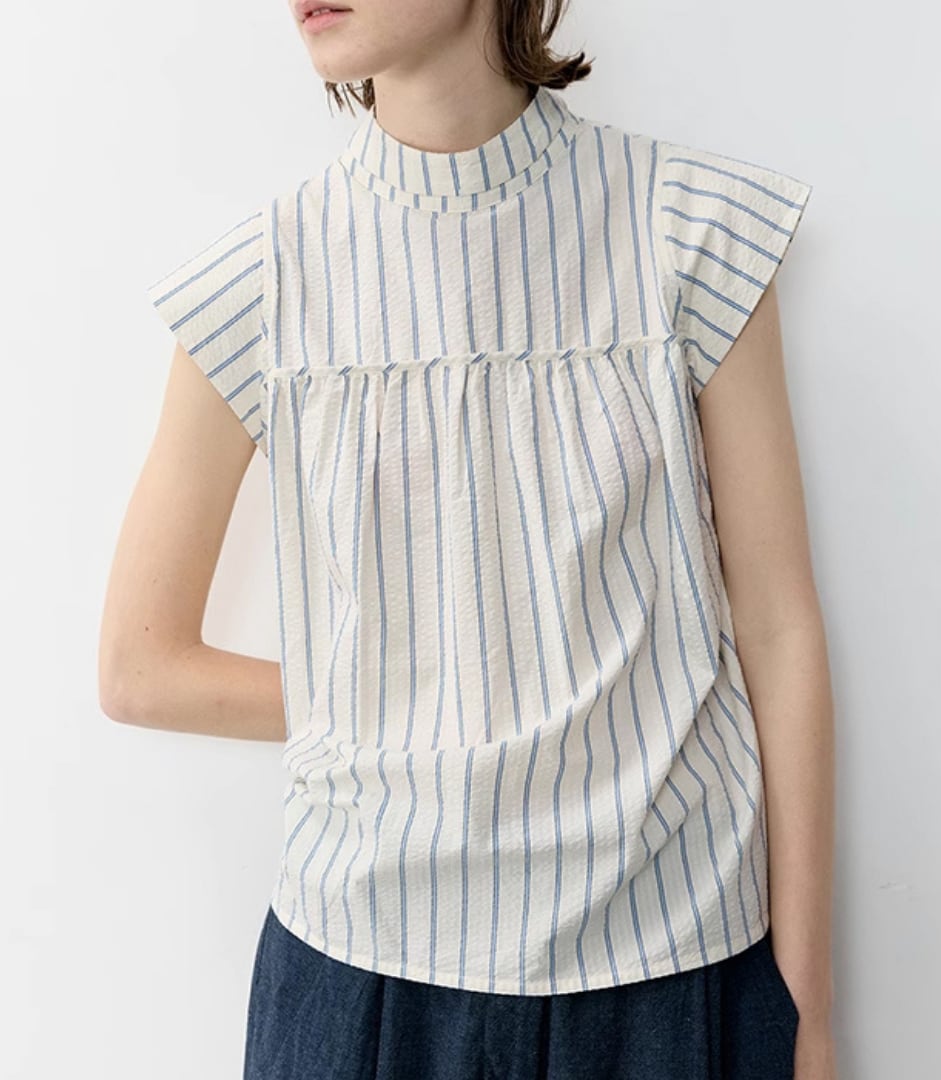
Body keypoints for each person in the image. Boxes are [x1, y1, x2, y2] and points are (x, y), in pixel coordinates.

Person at [99, 0, 837, 1077]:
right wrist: (422, 703)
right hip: (361, 980)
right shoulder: (261, 283)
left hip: (672, 971)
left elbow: (779, 629)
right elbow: (140, 668)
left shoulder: (687, 230)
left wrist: (808, 1006)